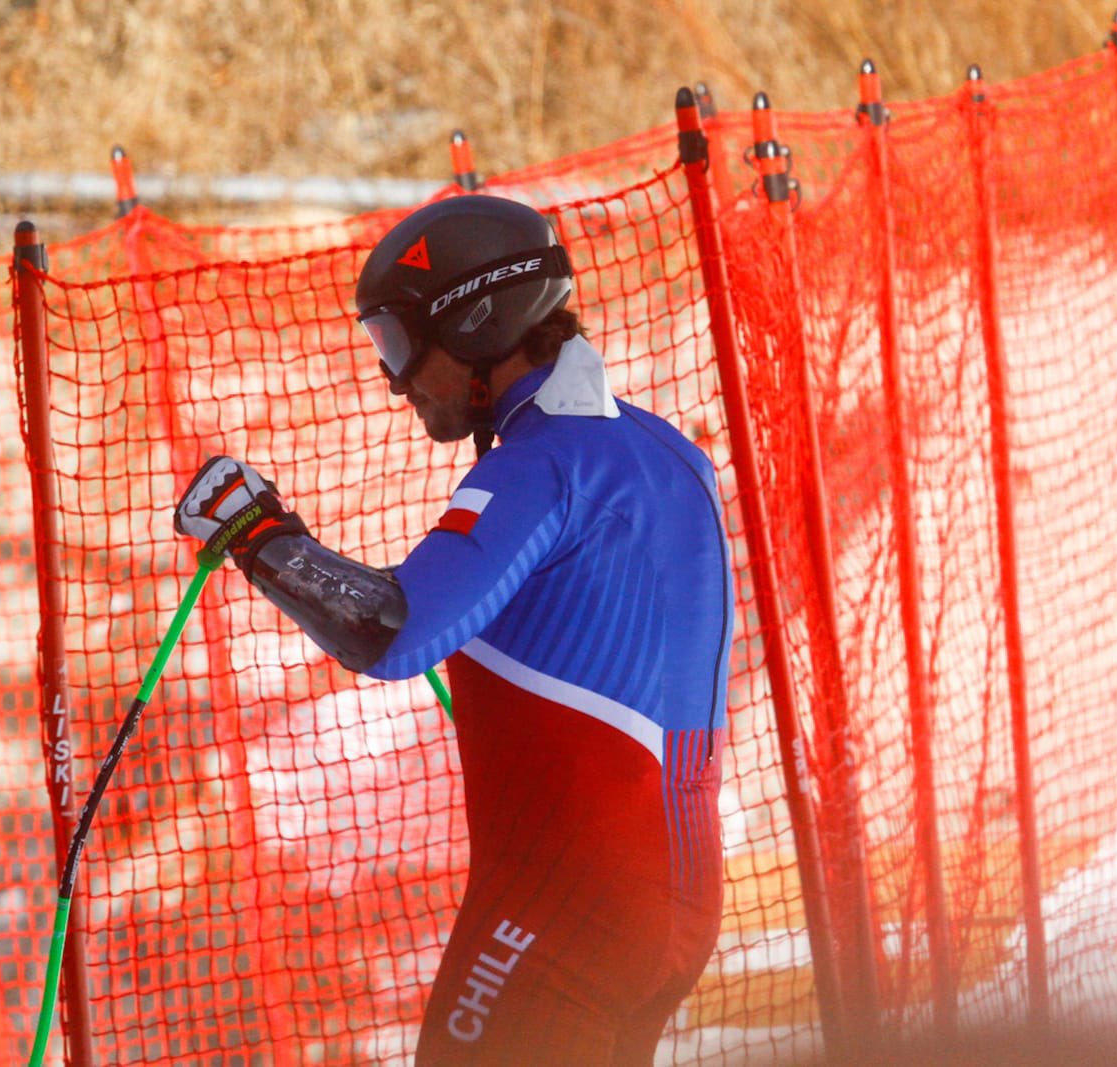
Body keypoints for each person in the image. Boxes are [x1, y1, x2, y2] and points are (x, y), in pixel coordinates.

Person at [175, 194, 733, 1065]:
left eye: (401, 345)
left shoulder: (538, 466)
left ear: (476, 325)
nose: (397, 381)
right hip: (671, 905)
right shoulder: (664, 452)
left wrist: (257, 537)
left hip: (555, 917)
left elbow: (392, 628)